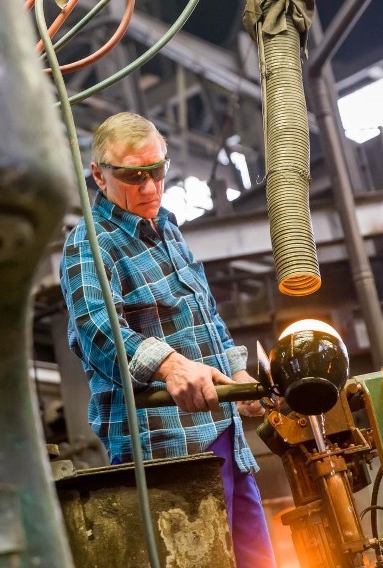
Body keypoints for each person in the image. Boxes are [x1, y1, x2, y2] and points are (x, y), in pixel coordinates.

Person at [60, 112, 276, 568]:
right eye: (133, 176)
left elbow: (206, 315)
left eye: (157, 171)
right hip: (169, 457)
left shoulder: (169, 230)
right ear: (98, 175)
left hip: (226, 440)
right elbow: (98, 330)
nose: (150, 188)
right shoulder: (89, 244)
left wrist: (236, 371)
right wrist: (170, 366)